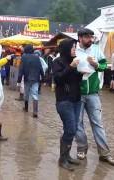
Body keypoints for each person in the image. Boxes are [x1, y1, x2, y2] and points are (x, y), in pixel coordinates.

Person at [75, 28, 114, 166]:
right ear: (80, 38)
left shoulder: (96, 49)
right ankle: (82, 148)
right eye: (87, 37)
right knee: (78, 123)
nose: (90, 39)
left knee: (97, 123)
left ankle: (105, 153)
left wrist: (97, 65)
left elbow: (104, 65)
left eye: (91, 37)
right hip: (77, 93)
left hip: (93, 93)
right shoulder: (74, 50)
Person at [52, 39, 82, 171]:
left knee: (73, 129)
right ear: (66, 48)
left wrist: (82, 71)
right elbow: (58, 78)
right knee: (70, 129)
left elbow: (75, 79)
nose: (75, 49)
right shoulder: (57, 62)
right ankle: (62, 159)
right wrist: (71, 67)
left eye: (75, 47)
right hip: (64, 100)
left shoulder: (75, 59)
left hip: (76, 99)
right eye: (73, 47)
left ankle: (67, 156)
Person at [17, 45, 44, 118]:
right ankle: (35, 112)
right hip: (36, 78)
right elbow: (40, 68)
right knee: (35, 94)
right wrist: (43, 78)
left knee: (27, 93)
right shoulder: (37, 57)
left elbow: (21, 69)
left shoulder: (24, 57)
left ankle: (26, 108)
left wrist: (19, 80)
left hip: (27, 78)